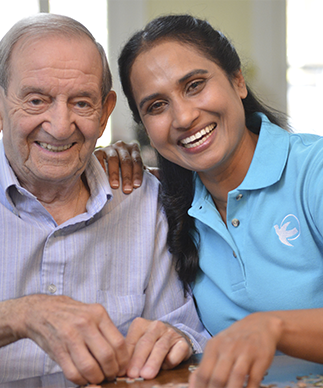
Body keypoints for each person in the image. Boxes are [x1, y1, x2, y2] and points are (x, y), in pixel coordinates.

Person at [0, 14, 209, 388]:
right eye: (36, 100)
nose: (60, 126)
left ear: (105, 111)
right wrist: (24, 314)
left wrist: (176, 340)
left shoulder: (141, 199)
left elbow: (181, 327)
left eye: (81, 103)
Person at [95, 14, 323, 388]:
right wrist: (102, 163)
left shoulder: (313, 170)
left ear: (238, 80)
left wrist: (274, 328)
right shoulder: (167, 204)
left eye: (195, 85)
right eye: (156, 106)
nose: (183, 117)